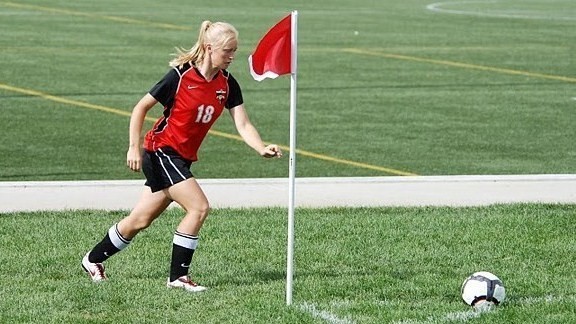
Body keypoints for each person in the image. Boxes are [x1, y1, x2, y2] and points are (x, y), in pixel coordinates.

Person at [81, 20, 282, 292]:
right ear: (210, 48)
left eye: (234, 50)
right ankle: (178, 278)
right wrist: (132, 146)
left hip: (180, 157)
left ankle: (92, 260)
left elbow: (243, 123)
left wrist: (260, 147)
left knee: (140, 220)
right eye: (228, 51)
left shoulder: (227, 83)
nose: (232, 56)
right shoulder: (179, 76)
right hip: (161, 151)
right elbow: (141, 107)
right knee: (199, 208)